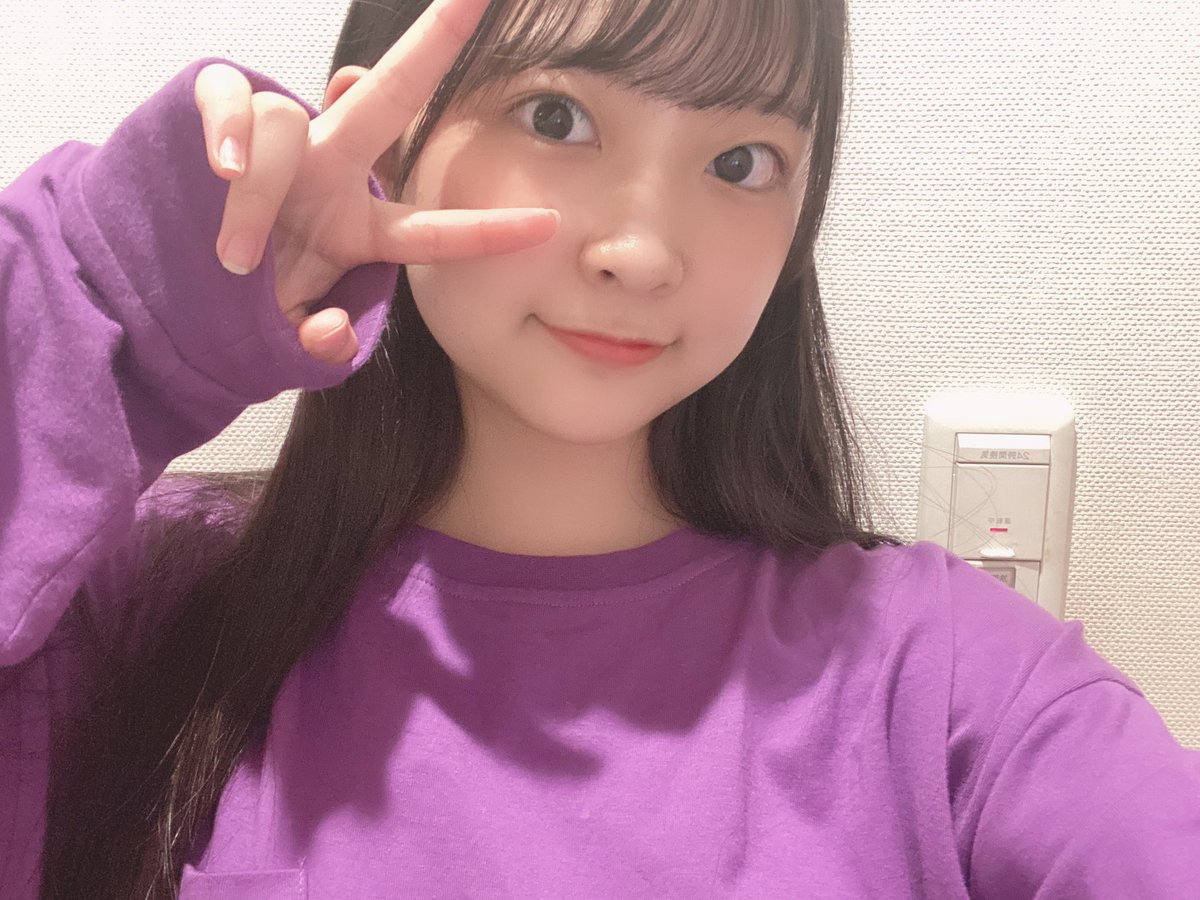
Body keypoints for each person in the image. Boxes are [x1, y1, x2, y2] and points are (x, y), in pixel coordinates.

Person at [1, 0, 1197, 895]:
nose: (644, 250)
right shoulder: (125, 614)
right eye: (557, 117)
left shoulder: (955, 691)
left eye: (741, 163)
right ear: (389, 147)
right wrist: (117, 297)